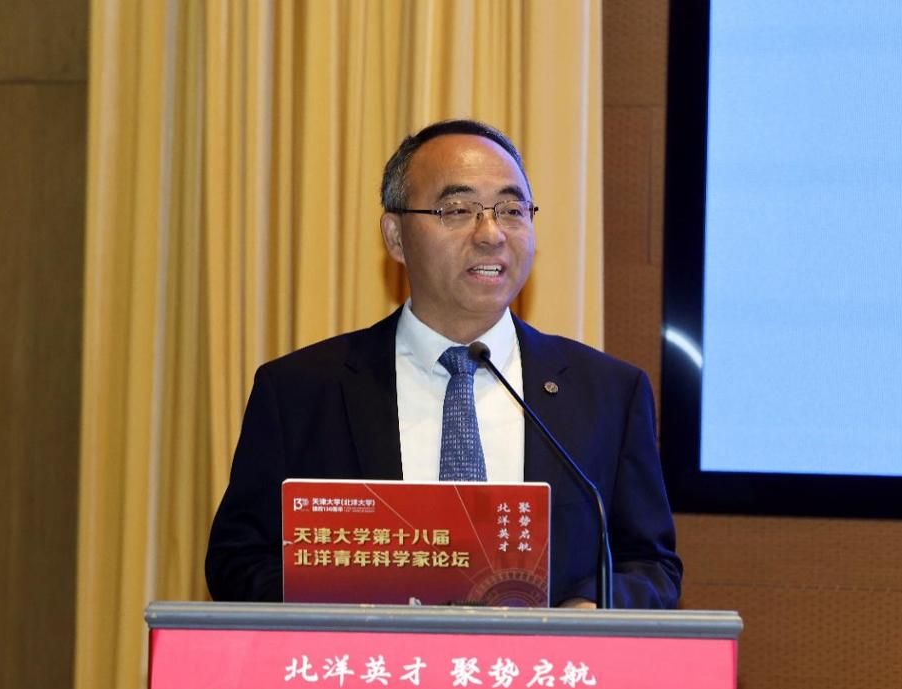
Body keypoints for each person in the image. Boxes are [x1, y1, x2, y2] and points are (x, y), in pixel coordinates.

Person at [205, 119, 682, 608]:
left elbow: (650, 564)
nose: (491, 234)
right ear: (395, 236)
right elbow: (239, 560)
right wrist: (346, 606)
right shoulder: (301, 391)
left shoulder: (608, 393)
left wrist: (587, 611)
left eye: (511, 210)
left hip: (544, 659)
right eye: (457, 210)